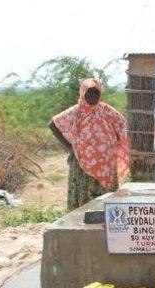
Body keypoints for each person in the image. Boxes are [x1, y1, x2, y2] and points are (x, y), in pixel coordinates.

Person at [48, 78, 129, 211]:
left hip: (106, 165)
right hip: (83, 164)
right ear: (83, 93)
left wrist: (115, 142)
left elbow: (121, 123)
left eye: (96, 92)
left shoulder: (105, 110)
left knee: (106, 201)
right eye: (89, 92)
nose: (93, 96)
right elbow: (53, 124)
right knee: (84, 201)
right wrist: (71, 148)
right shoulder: (77, 111)